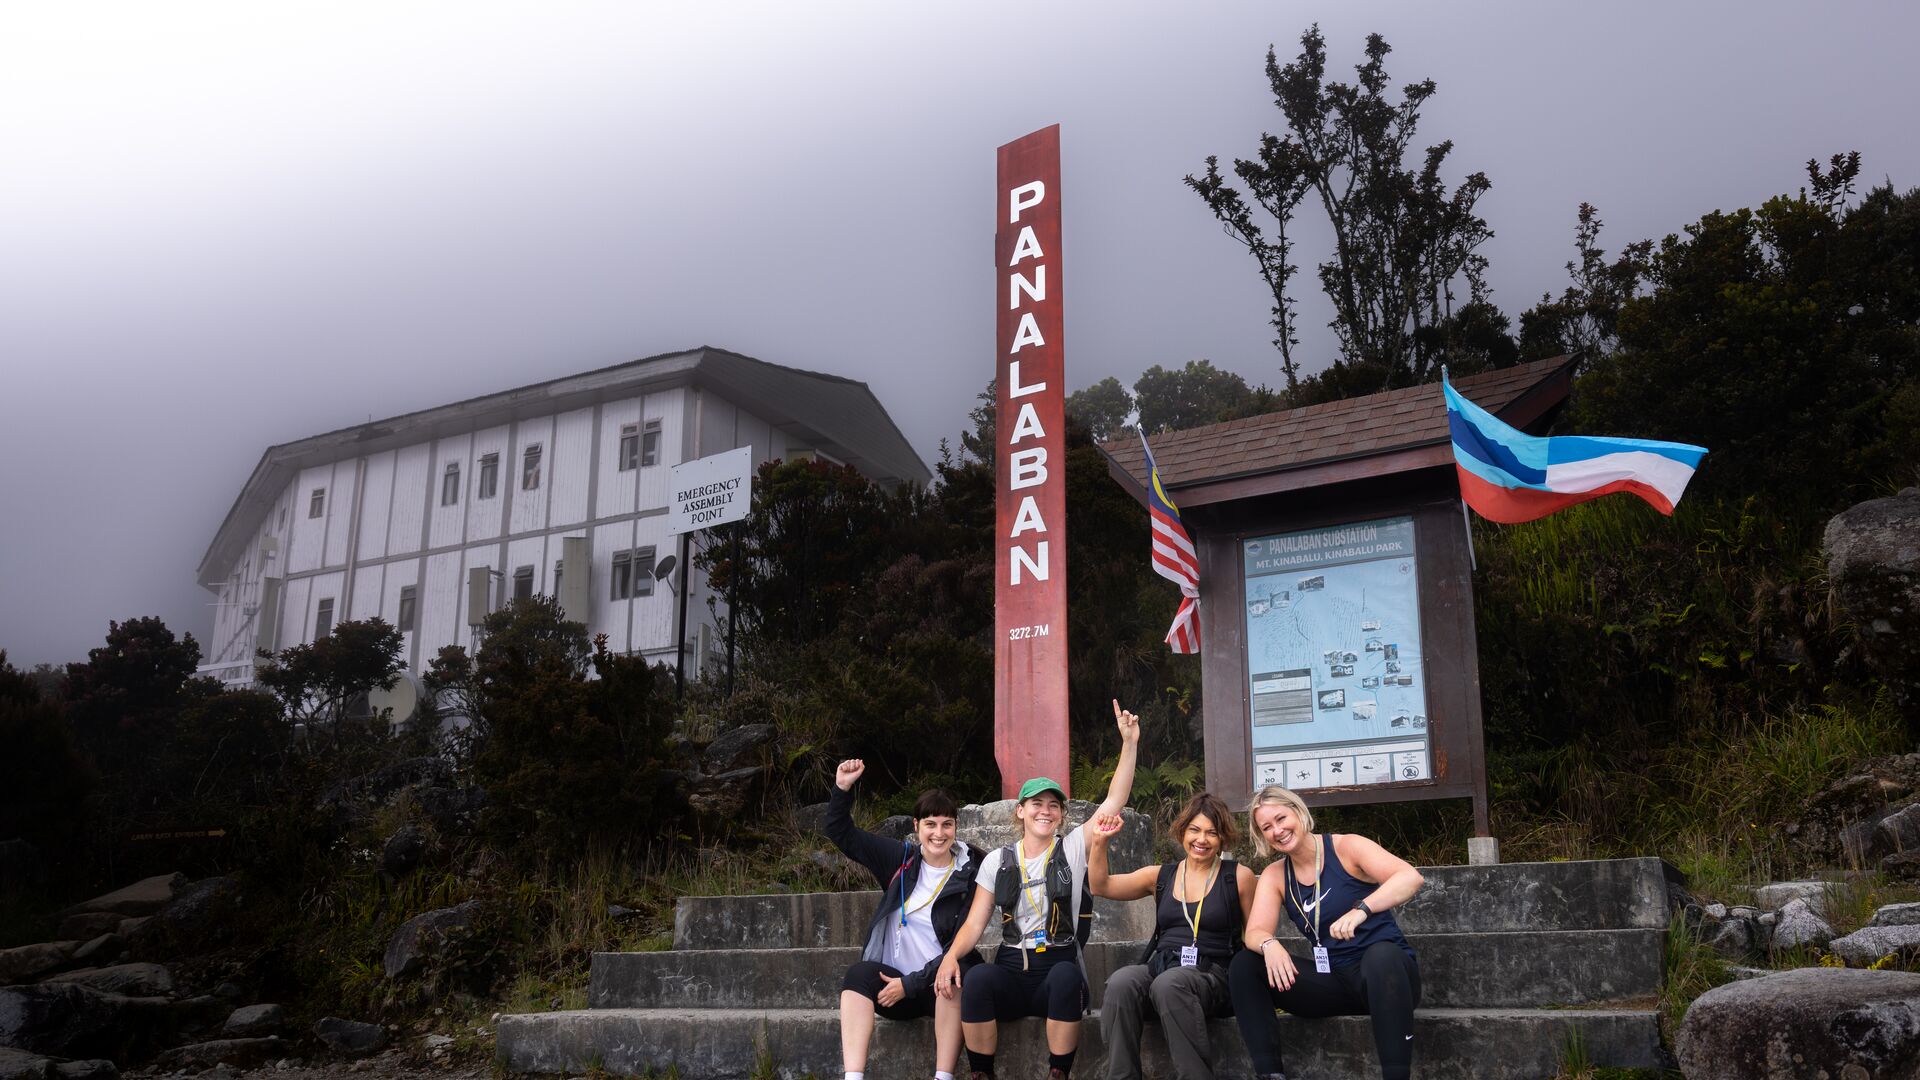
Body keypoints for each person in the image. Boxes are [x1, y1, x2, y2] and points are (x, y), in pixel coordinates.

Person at [932, 700, 1141, 1080]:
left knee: (1066, 979)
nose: (1045, 811)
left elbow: (1115, 800)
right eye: (1036, 804)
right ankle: (982, 1073)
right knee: (977, 979)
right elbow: (976, 923)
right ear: (1021, 811)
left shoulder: (1074, 848)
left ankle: (1058, 1073)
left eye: (1053, 806)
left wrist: (1129, 744)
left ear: (1061, 814)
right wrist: (950, 957)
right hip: (1012, 965)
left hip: (1057, 962)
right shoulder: (998, 860)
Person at [1228, 785, 1426, 1080]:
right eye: (1266, 827)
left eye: (1281, 818)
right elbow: (1255, 930)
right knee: (1246, 964)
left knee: (1381, 956)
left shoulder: (1347, 847)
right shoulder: (1275, 875)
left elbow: (1410, 877)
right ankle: (1270, 1074)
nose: (1277, 831)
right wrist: (1270, 945)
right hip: (1336, 981)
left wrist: (1363, 909)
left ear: (1298, 811)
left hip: (1389, 979)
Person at [824, 758, 982, 1080]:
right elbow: (841, 832)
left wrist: (908, 985)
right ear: (916, 826)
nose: (939, 833)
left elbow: (961, 943)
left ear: (955, 827)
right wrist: (842, 788)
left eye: (947, 824)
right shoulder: (901, 860)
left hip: (937, 986)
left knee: (956, 975)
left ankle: (943, 1076)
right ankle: (853, 1076)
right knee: (857, 975)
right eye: (931, 824)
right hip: (894, 987)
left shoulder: (971, 871)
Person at [1088, 791, 1257, 1080]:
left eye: (1211, 833)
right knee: (1121, 982)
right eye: (1194, 830)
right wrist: (1100, 842)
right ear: (1182, 831)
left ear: (1222, 838)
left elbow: (1255, 932)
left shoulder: (1237, 877)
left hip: (1213, 974)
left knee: (1170, 984)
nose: (1201, 840)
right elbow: (1101, 885)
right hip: (1163, 967)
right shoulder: (1162, 876)